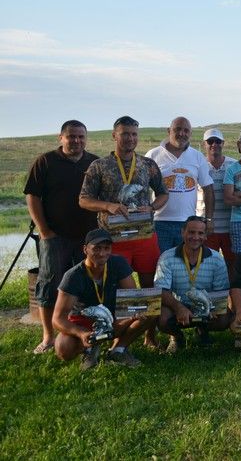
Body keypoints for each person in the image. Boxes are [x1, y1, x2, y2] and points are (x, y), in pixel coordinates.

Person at [79, 115, 168, 349]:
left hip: (145, 236)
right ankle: (117, 338)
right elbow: (83, 199)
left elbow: (163, 194)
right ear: (114, 135)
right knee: (116, 290)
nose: (130, 138)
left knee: (149, 287)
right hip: (113, 240)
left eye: (134, 134)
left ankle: (149, 336)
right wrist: (107, 206)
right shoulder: (99, 166)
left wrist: (152, 207)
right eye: (125, 134)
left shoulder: (148, 164)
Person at [24, 120, 98, 355]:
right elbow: (32, 197)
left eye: (81, 137)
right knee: (49, 285)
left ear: (86, 138)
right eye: (71, 136)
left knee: (85, 286)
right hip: (55, 237)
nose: (76, 141)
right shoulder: (45, 162)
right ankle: (48, 336)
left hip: (88, 239)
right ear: (61, 138)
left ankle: (85, 332)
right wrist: (44, 230)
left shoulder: (94, 162)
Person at [53, 229, 156, 369]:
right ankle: (89, 348)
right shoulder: (73, 276)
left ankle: (118, 350)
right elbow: (57, 319)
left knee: (151, 309)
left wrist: (133, 314)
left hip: (113, 319)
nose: (102, 253)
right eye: (96, 248)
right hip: (85, 323)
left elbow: (132, 298)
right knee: (63, 348)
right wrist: (81, 333)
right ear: (85, 249)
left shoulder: (118, 263)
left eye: (106, 248)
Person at [155, 216, 231, 353]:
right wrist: (178, 308)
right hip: (178, 304)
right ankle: (176, 336)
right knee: (162, 318)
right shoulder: (167, 257)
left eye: (200, 233)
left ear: (205, 236)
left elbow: (221, 291)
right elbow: (161, 290)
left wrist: (213, 307)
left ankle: (202, 330)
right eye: (191, 232)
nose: (196, 237)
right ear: (182, 232)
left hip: (207, 304)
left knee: (224, 319)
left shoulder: (217, 259)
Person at [146, 117, 214, 252]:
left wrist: (209, 219)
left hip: (188, 223)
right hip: (159, 222)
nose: (182, 133)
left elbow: (208, 189)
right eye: (177, 129)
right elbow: (142, 187)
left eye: (186, 131)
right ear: (169, 131)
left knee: (185, 262)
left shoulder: (197, 156)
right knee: (160, 261)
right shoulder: (153, 155)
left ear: (190, 134)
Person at [197, 128, 237, 280]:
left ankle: (233, 295)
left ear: (223, 143)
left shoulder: (234, 165)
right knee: (206, 267)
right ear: (204, 144)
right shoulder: (198, 165)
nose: (214, 144)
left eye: (218, 141)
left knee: (233, 267)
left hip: (230, 225)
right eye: (210, 141)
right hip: (206, 226)